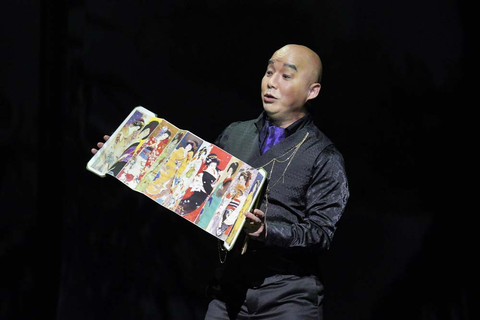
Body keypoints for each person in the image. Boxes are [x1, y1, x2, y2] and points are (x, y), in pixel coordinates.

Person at [91, 44, 349, 320]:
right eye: (268, 72)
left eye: (286, 76)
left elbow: (321, 233)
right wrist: (129, 162)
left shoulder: (323, 156)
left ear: (313, 91)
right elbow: (187, 190)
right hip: (228, 294)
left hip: (288, 297)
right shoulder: (235, 135)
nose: (271, 82)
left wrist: (266, 231)